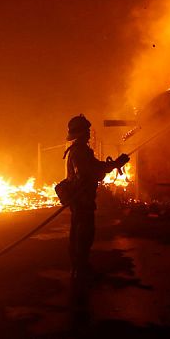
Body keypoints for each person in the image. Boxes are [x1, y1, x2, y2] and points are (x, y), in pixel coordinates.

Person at [63, 114, 129, 280]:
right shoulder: (80, 151)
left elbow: (93, 168)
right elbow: (90, 171)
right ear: (80, 132)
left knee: (80, 233)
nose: (89, 133)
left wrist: (114, 164)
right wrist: (115, 164)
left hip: (81, 199)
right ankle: (80, 270)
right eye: (86, 130)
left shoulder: (79, 150)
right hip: (82, 199)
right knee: (83, 234)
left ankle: (79, 268)